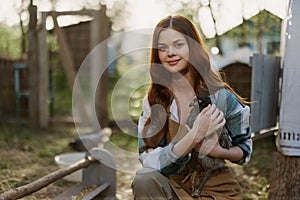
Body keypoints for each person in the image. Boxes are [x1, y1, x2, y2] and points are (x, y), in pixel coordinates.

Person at [131, 15, 252, 200]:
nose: (170, 53)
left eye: (178, 45)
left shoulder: (220, 98)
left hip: (215, 189)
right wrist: (193, 137)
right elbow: (147, 159)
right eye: (163, 48)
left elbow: (244, 150)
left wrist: (219, 151)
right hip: (174, 187)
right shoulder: (155, 100)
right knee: (145, 179)